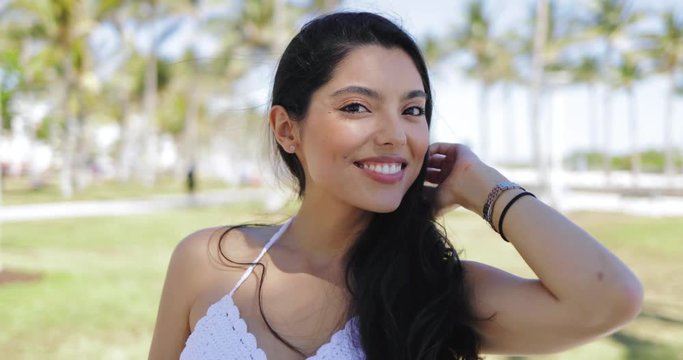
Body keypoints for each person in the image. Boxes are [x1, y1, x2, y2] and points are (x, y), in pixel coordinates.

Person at [148, 12, 642, 360]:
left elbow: (609, 299)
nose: (395, 135)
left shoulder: (435, 289)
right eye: (356, 107)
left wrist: (483, 187)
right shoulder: (207, 261)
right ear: (286, 129)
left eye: (413, 110)